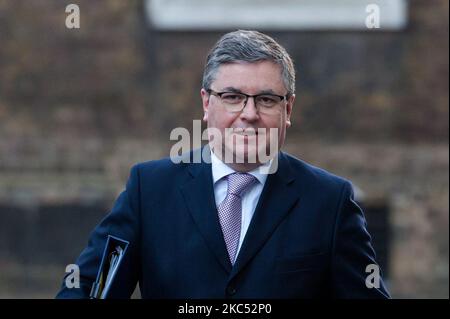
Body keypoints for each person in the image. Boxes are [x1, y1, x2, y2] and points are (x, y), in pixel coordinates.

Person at [56, 30, 390, 299]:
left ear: (288, 110)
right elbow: (89, 290)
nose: (249, 114)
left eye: (266, 99)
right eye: (232, 97)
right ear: (206, 103)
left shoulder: (329, 202)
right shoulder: (149, 189)